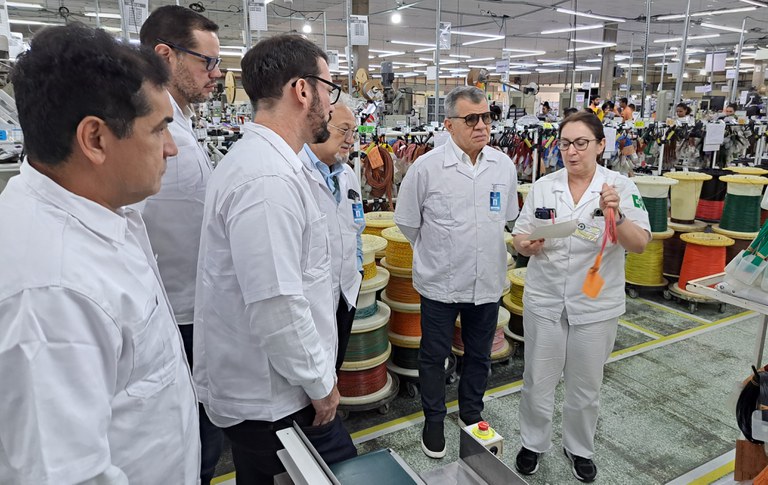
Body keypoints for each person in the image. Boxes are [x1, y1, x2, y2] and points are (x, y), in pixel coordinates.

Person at [0, 25, 200, 484]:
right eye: (159, 129)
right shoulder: (51, 293)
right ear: (94, 139)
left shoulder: (101, 210)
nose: (171, 148)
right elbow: (63, 474)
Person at [194, 34, 356, 484]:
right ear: (302, 91)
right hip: (278, 400)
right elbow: (277, 305)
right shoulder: (267, 179)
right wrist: (322, 386)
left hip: (276, 391)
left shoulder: (272, 164)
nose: (330, 102)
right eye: (329, 89)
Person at [512, 111, 650, 482]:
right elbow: (519, 237)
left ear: (601, 145)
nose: (572, 152)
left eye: (581, 143)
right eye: (565, 144)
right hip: (545, 299)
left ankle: (579, 448)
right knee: (537, 378)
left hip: (596, 303)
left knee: (585, 385)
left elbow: (640, 244)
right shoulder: (544, 185)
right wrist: (528, 244)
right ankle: (533, 442)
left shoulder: (620, 187)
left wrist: (616, 216)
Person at [395, 86, 519, 459]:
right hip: (440, 284)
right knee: (434, 356)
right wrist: (440, 253)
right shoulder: (427, 168)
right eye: (471, 119)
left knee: (479, 355)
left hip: (487, 281)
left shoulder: (503, 166)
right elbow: (408, 223)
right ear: (449, 124)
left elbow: (508, 217)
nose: (482, 125)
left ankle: (471, 415)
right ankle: (434, 419)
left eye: (486, 117)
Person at [139, 7, 223, 483]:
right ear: (165, 55)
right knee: (199, 446)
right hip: (185, 315)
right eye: (205, 62)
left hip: (182, 309)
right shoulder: (172, 142)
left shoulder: (181, 131)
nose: (215, 74)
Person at [298, 97, 365, 372]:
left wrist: (357, 270)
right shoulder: (295, 172)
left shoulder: (347, 174)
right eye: (344, 130)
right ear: (318, 126)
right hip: (311, 300)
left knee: (334, 366)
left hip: (346, 293)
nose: (351, 139)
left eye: (354, 132)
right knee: (310, 371)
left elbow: (356, 227)